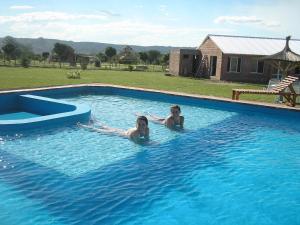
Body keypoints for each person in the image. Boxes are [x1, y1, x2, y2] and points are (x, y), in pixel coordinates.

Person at [79, 116, 149, 142]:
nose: (141, 126)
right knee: (99, 130)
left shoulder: (147, 129)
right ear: (136, 124)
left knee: (106, 126)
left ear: (146, 125)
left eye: (143, 124)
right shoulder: (135, 133)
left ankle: (94, 121)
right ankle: (83, 126)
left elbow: (147, 139)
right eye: (139, 124)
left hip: (124, 131)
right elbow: (138, 143)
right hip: (119, 134)